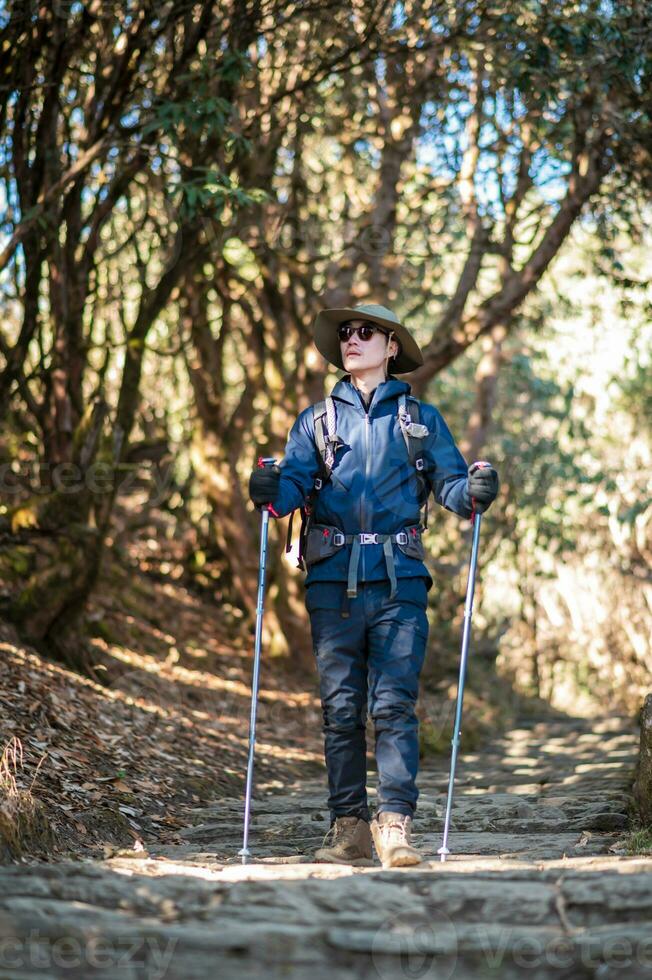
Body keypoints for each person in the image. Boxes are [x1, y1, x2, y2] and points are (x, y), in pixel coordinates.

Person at [248, 302, 499, 868]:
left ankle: (394, 827)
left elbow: (452, 488)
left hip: (400, 579)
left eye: (366, 332)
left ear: (391, 348)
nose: (352, 340)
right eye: (346, 333)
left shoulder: (420, 420)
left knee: (393, 706)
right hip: (332, 581)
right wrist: (266, 487)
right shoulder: (315, 421)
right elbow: (289, 489)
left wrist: (477, 491)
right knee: (340, 710)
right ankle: (348, 829)